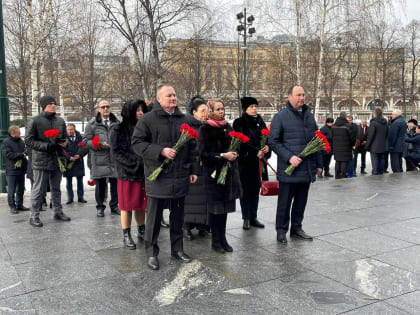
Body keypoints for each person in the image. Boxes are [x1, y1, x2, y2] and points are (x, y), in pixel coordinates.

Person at [132, 84, 198, 270]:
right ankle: (152, 253)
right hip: (158, 177)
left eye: (175, 95)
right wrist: (160, 151)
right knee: (153, 219)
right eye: (169, 95)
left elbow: (193, 148)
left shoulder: (184, 119)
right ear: (159, 99)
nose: (173, 98)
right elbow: (137, 143)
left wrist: (193, 170)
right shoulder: (147, 119)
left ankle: (177, 249)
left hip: (179, 176)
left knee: (178, 217)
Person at [268, 86, 322, 244]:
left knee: (301, 201)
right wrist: (289, 157)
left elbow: (316, 141)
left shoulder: (309, 116)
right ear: (289, 96)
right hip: (289, 170)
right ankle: (281, 230)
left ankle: (297, 228)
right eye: (298, 95)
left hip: (306, 169)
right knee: (284, 202)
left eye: (303, 95)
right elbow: (273, 141)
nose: (302, 98)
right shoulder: (281, 117)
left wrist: (318, 164)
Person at [199, 99, 242, 253]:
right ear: (211, 111)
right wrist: (223, 155)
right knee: (215, 210)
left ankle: (223, 239)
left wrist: (235, 153)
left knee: (224, 210)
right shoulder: (205, 129)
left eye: (222, 109)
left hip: (228, 176)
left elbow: (235, 145)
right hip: (214, 176)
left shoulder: (227, 127)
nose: (221, 112)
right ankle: (216, 241)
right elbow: (203, 154)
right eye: (218, 109)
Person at [25, 95, 71, 227]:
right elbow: (28, 140)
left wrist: (64, 143)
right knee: (38, 189)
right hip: (41, 160)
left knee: (56, 188)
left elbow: (65, 137)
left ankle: (58, 211)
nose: (53, 105)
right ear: (44, 106)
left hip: (57, 158)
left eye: (55, 103)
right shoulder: (35, 121)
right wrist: (46, 146)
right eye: (50, 103)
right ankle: (34, 216)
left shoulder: (60, 121)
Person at [110, 100, 148, 250]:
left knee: (140, 204)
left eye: (142, 110)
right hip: (126, 173)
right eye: (137, 110)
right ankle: (126, 234)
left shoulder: (144, 128)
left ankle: (142, 230)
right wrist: (134, 162)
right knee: (126, 205)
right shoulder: (118, 128)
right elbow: (115, 152)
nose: (141, 112)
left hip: (142, 172)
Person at [233, 96, 269, 230]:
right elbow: (241, 141)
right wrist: (255, 152)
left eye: (255, 106)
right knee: (246, 191)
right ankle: (246, 218)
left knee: (255, 190)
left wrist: (267, 148)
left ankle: (253, 217)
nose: (254, 109)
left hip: (259, 164)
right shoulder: (239, 122)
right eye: (251, 107)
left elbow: (267, 138)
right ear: (245, 109)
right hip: (246, 162)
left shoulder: (260, 121)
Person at [84, 100, 120, 217]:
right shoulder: (91, 124)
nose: (105, 109)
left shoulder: (116, 122)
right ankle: (100, 207)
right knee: (100, 185)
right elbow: (85, 141)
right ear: (98, 109)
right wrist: (98, 145)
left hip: (114, 159)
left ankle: (114, 206)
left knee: (115, 185)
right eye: (103, 107)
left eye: (107, 106)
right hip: (99, 159)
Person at [183, 96, 210, 240]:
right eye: (202, 110)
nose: (206, 113)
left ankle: (203, 226)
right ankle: (186, 226)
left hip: (205, 168)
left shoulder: (207, 126)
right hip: (192, 168)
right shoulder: (188, 126)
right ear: (194, 112)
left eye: (207, 110)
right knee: (191, 199)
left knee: (203, 199)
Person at [1, 126, 29, 214]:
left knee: (21, 188)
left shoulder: (21, 141)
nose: (20, 134)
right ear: (13, 133)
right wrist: (21, 155)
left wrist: (26, 152)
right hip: (11, 169)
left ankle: (19, 205)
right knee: (11, 190)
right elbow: (8, 155)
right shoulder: (6, 142)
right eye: (19, 133)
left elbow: (25, 151)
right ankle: (12, 206)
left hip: (21, 168)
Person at [63, 124, 88, 204]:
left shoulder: (81, 137)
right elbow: (61, 150)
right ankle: (70, 198)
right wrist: (69, 157)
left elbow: (85, 148)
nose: (70, 131)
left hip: (78, 162)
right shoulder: (63, 138)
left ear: (74, 129)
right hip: (68, 163)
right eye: (68, 129)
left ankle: (80, 197)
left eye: (71, 129)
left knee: (80, 180)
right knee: (68, 181)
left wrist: (79, 155)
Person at [366, 108, 388, 175]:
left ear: (375, 114)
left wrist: (367, 145)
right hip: (383, 145)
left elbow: (371, 135)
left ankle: (375, 172)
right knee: (382, 159)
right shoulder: (385, 123)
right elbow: (387, 134)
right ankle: (381, 172)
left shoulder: (373, 123)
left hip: (374, 146)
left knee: (375, 159)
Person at [332, 112, 354, 179]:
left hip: (336, 147)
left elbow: (332, 136)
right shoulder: (347, 126)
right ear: (345, 117)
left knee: (338, 161)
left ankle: (337, 175)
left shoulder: (333, 126)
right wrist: (352, 144)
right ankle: (343, 174)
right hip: (346, 147)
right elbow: (352, 137)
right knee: (344, 161)